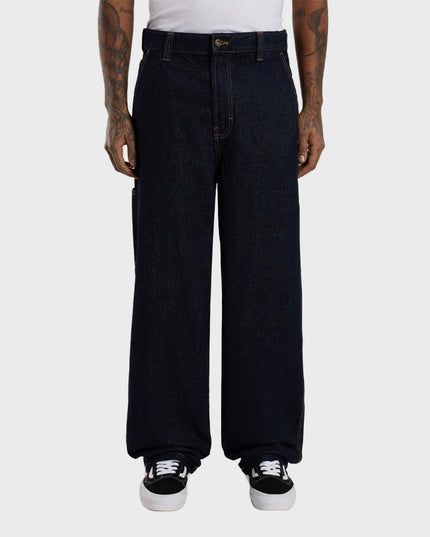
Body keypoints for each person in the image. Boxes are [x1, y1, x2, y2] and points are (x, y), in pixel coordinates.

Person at [98, 0, 327, 511]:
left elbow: (310, 3)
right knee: (167, 267)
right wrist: (116, 109)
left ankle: (268, 446)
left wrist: (312, 107)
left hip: (263, 71)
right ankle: (167, 445)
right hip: (169, 72)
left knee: (267, 268)